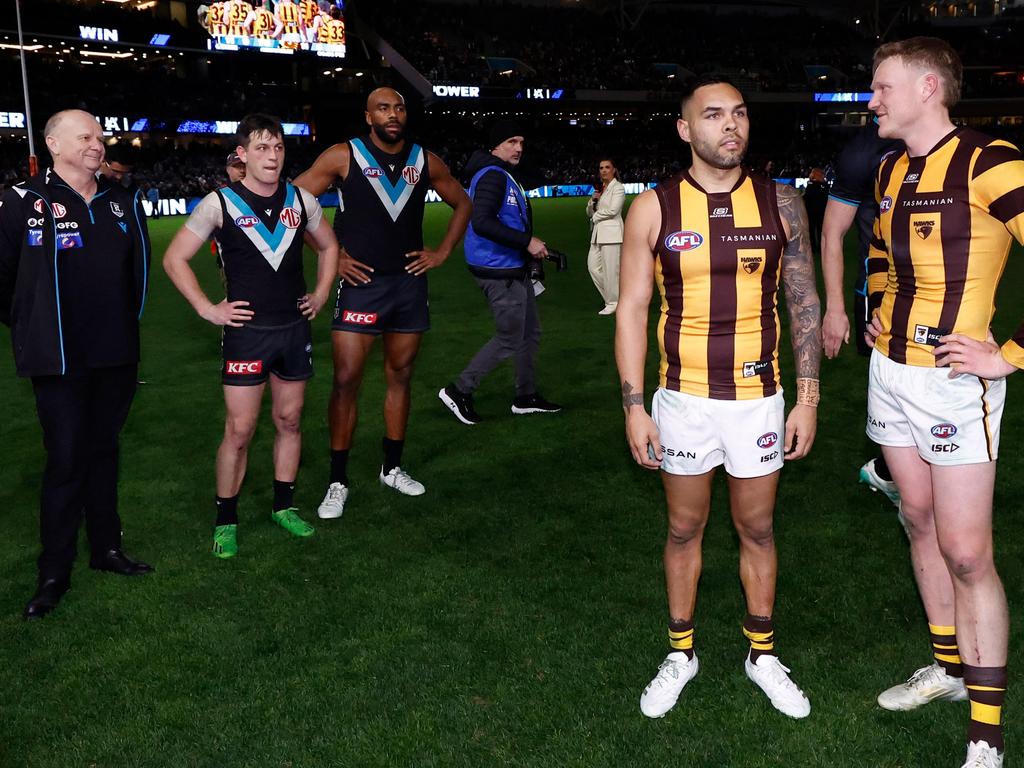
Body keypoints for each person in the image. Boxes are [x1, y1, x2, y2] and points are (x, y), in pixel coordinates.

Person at [615, 76, 822, 720]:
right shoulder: (652, 207)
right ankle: (682, 651)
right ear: (685, 130)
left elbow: (804, 300)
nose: (730, 125)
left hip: (760, 398)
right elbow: (631, 311)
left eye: (738, 114)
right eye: (712, 115)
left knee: (757, 527)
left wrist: (808, 397)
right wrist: (633, 404)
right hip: (682, 399)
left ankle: (761, 652)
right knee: (684, 527)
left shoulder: (783, 203)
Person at [865, 37, 1024, 768]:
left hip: (956, 384)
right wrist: (875, 305)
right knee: (917, 518)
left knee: (966, 552)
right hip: (888, 373)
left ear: (929, 87)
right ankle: (949, 670)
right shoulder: (891, 170)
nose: (872, 100)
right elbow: (880, 252)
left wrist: (1009, 357)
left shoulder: (992, 161)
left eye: (881, 87)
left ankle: (987, 739)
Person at [163, 113, 339, 558]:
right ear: (241, 154)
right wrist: (207, 308)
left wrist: (320, 293)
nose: (272, 156)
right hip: (246, 335)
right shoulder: (219, 203)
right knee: (239, 431)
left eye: (278, 148)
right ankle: (226, 519)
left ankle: (284, 506)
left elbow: (330, 246)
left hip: (293, 329)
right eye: (262, 148)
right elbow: (174, 259)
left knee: (290, 421)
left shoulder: (301, 200)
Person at [0, 109, 154, 619]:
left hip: (116, 354)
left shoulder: (121, 201)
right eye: (85, 136)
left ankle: (107, 549)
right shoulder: (21, 203)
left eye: (100, 135)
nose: (97, 142)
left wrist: (124, 333)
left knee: (104, 450)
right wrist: (32, 328)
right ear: (53, 144)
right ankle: (53, 572)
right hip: (59, 359)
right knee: (66, 458)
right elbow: (5, 283)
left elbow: (140, 276)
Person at [292, 87, 471, 519]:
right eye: (384, 108)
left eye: (399, 108)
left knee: (401, 376)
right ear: (368, 116)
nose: (393, 114)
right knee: (346, 380)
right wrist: (333, 258)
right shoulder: (343, 156)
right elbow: (291, 203)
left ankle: (392, 467)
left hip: (408, 285)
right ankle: (337, 480)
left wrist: (442, 252)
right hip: (360, 285)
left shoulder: (425, 160)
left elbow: (463, 202)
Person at [438, 120, 562, 425]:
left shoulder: (502, 172)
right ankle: (459, 391)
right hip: (497, 268)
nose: (519, 148)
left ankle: (526, 396)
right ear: (495, 145)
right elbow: (481, 221)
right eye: (511, 141)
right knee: (509, 337)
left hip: (510, 265)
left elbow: (511, 212)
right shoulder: (493, 175)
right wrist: (527, 242)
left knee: (529, 334)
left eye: (521, 141)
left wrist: (528, 249)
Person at [820, 121, 903, 507]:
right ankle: (895, 472)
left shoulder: (950, 146)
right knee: (899, 382)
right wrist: (835, 309)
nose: (873, 100)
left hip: (944, 291)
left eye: (885, 87)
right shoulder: (862, 152)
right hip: (881, 288)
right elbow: (832, 233)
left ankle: (897, 471)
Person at [586, 157, 624, 315]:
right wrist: (591, 202)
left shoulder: (618, 188)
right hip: (597, 234)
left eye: (607, 167)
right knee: (593, 267)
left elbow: (614, 210)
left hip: (612, 234)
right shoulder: (600, 189)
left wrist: (595, 216)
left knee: (611, 271)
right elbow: (589, 212)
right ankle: (615, 298)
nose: (603, 170)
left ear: (614, 170)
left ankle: (613, 302)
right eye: (601, 168)